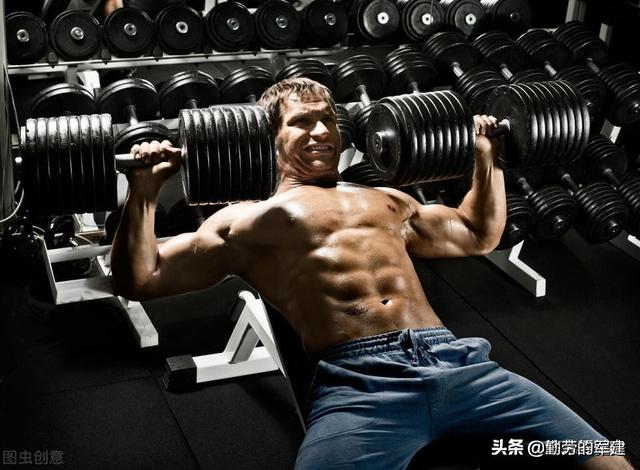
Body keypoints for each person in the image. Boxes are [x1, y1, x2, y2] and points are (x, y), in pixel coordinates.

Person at [110, 78, 633, 470]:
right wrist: (144, 194)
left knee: (602, 456)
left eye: (328, 120)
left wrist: (487, 158)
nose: (321, 132)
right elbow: (141, 279)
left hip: (460, 367)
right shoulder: (247, 220)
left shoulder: (386, 198)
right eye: (302, 122)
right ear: (271, 137)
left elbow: (477, 233)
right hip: (360, 389)